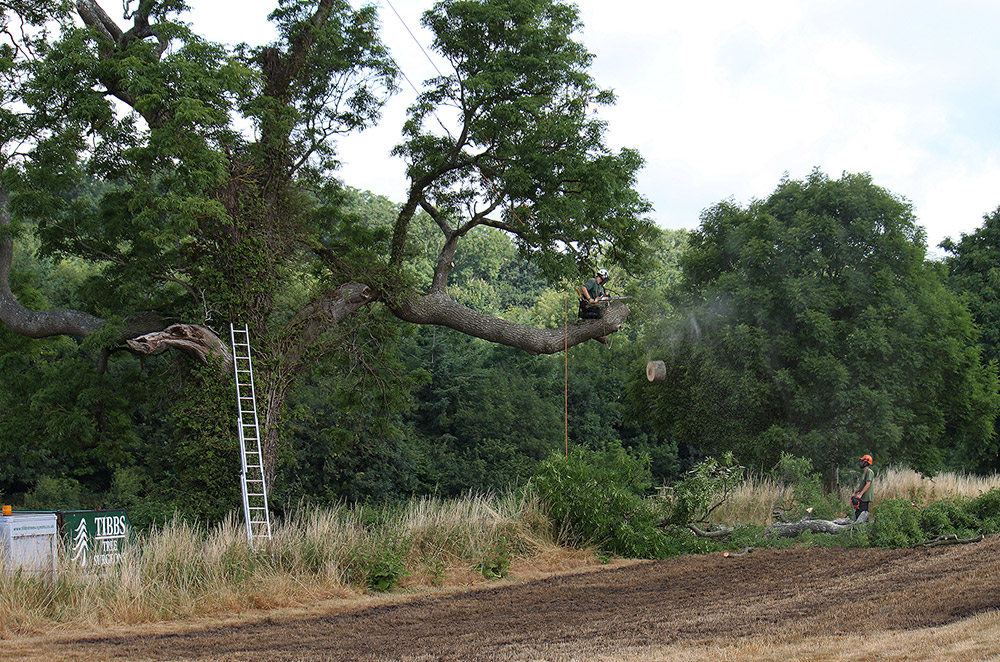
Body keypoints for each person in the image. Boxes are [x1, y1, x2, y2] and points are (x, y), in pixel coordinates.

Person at [851, 454, 875, 522]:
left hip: (865, 497)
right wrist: (855, 492)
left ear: (866, 462)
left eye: (862, 461)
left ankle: (863, 528)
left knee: (863, 514)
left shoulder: (869, 472)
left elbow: (868, 484)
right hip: (862, 497)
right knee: (858, 514)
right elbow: (861, 486)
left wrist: (860, 494)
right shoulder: (864, 473)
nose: (860, 463)